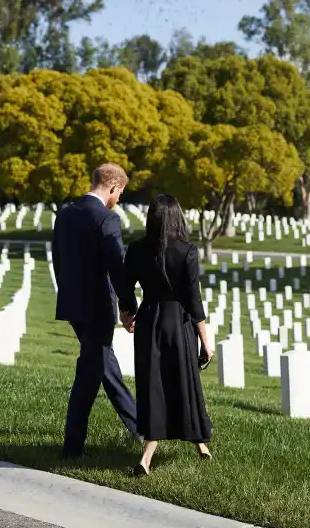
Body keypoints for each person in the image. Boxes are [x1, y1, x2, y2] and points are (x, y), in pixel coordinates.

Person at [52, 163, 141, 459]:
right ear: (113, 186)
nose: (119, 200)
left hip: (73, 306)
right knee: (88, 376)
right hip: (98, 308)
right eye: (120, 193)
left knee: (105, 367)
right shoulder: (106, 219)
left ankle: (139, 427)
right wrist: (130, 307)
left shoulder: (65, 215)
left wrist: (67, 296)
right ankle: (72, 447)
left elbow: (58, 261)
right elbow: (118, 268)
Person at [123, 193, 214, 475]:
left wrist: (127, 314)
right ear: (178, 217)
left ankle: (147, 457)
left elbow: (125, 287)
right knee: (184, 382)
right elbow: (193, 300)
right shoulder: (187, 251)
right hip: (179, 324)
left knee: (153, 386)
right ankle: (198, 441)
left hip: (149, 320)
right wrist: (205, 341)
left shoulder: (137, 249)